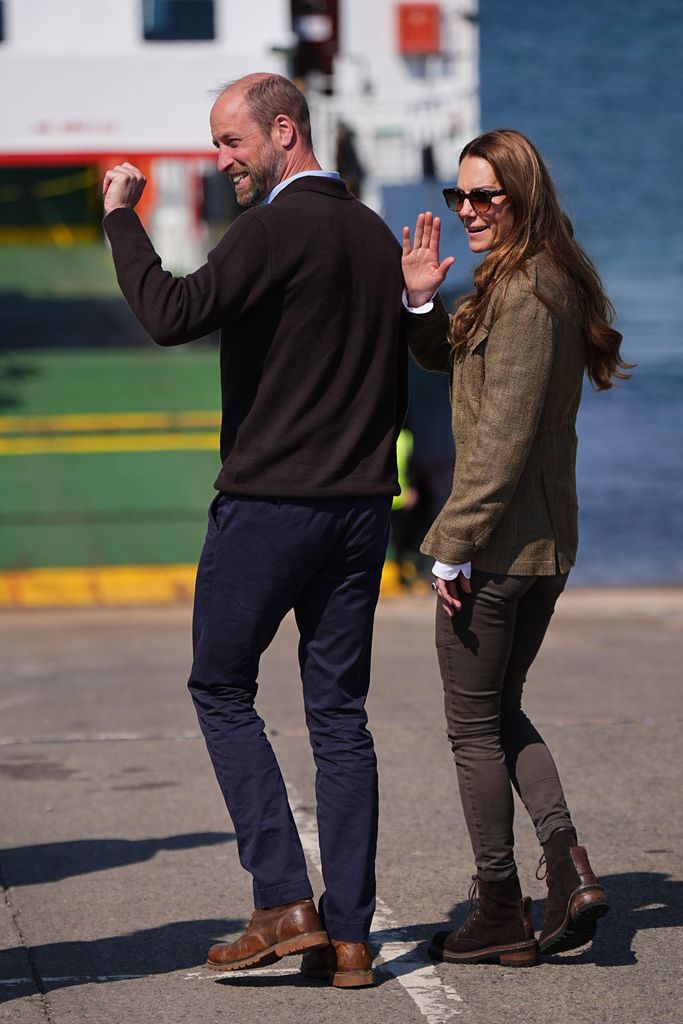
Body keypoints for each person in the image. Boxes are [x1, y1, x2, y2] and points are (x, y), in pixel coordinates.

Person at [102, 73, 407, 988]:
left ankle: (282, 900)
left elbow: (171, 315)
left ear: (283, 130)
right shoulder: (372, 233)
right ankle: (350, 939)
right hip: (361, 512)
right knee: (339, 717)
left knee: (220, 688)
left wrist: (121, 219)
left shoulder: (273, 228)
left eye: (231, 142)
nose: (221, 160)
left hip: (271, 507)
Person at [401, 129, 631, 966]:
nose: (467, 210)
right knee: (500, 712)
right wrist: (420, 303)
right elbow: (457, 364)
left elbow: (500, 440)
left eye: (483, 196)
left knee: (472, 729)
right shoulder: (521, 279)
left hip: (500, 550)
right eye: (458, 195)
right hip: (536, 546)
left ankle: (501, 905)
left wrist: (450, 547)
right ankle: (569, 874)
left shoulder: (529, 292)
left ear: (521, 197)